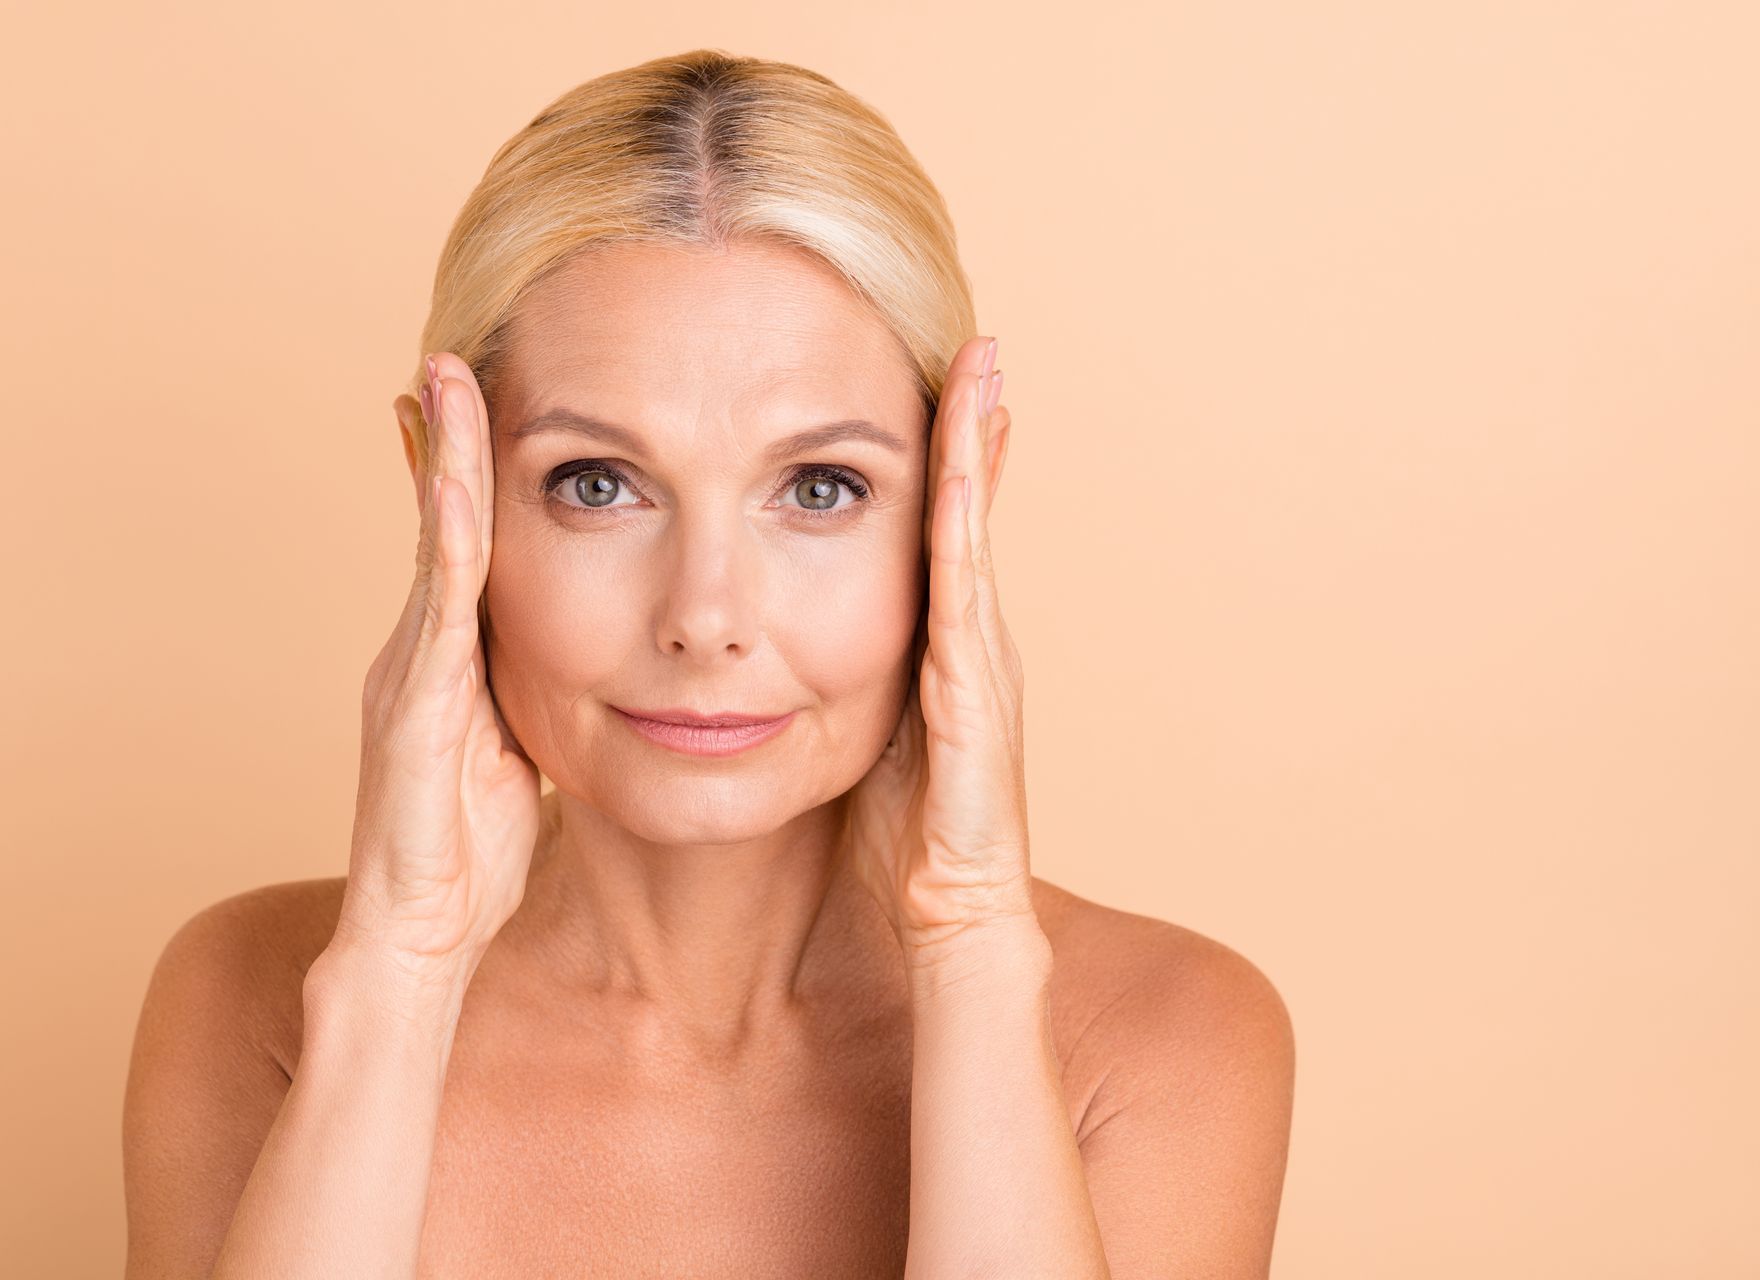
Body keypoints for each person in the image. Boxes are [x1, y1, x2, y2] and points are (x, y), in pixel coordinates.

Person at [122, 48, 1294, 1279]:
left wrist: (973, 947)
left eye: (820, 487)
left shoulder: (1164, 1035)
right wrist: (399, 970)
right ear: (442, 487)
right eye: (597, 484)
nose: (705, 614)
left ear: (962, 495)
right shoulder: (251, 1001)